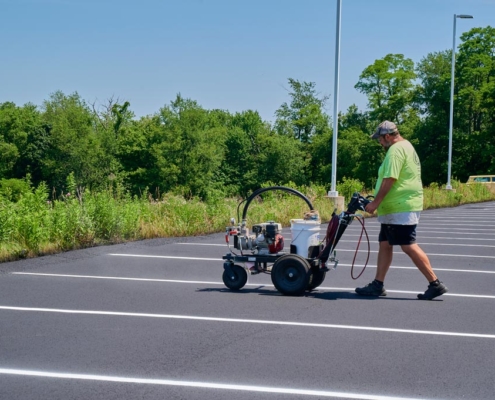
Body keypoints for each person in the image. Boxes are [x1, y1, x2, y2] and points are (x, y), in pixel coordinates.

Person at [355, 121, 448, 300]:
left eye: (380, 140)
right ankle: (378, 284)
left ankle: (435, 283)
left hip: (401, 207)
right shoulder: (407, 146)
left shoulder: (395, 150)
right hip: (396, 207)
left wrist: (375, 203)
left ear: (387, 136)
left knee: (408, 244)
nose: (380, 143)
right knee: (385, 243)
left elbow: (390, 178)